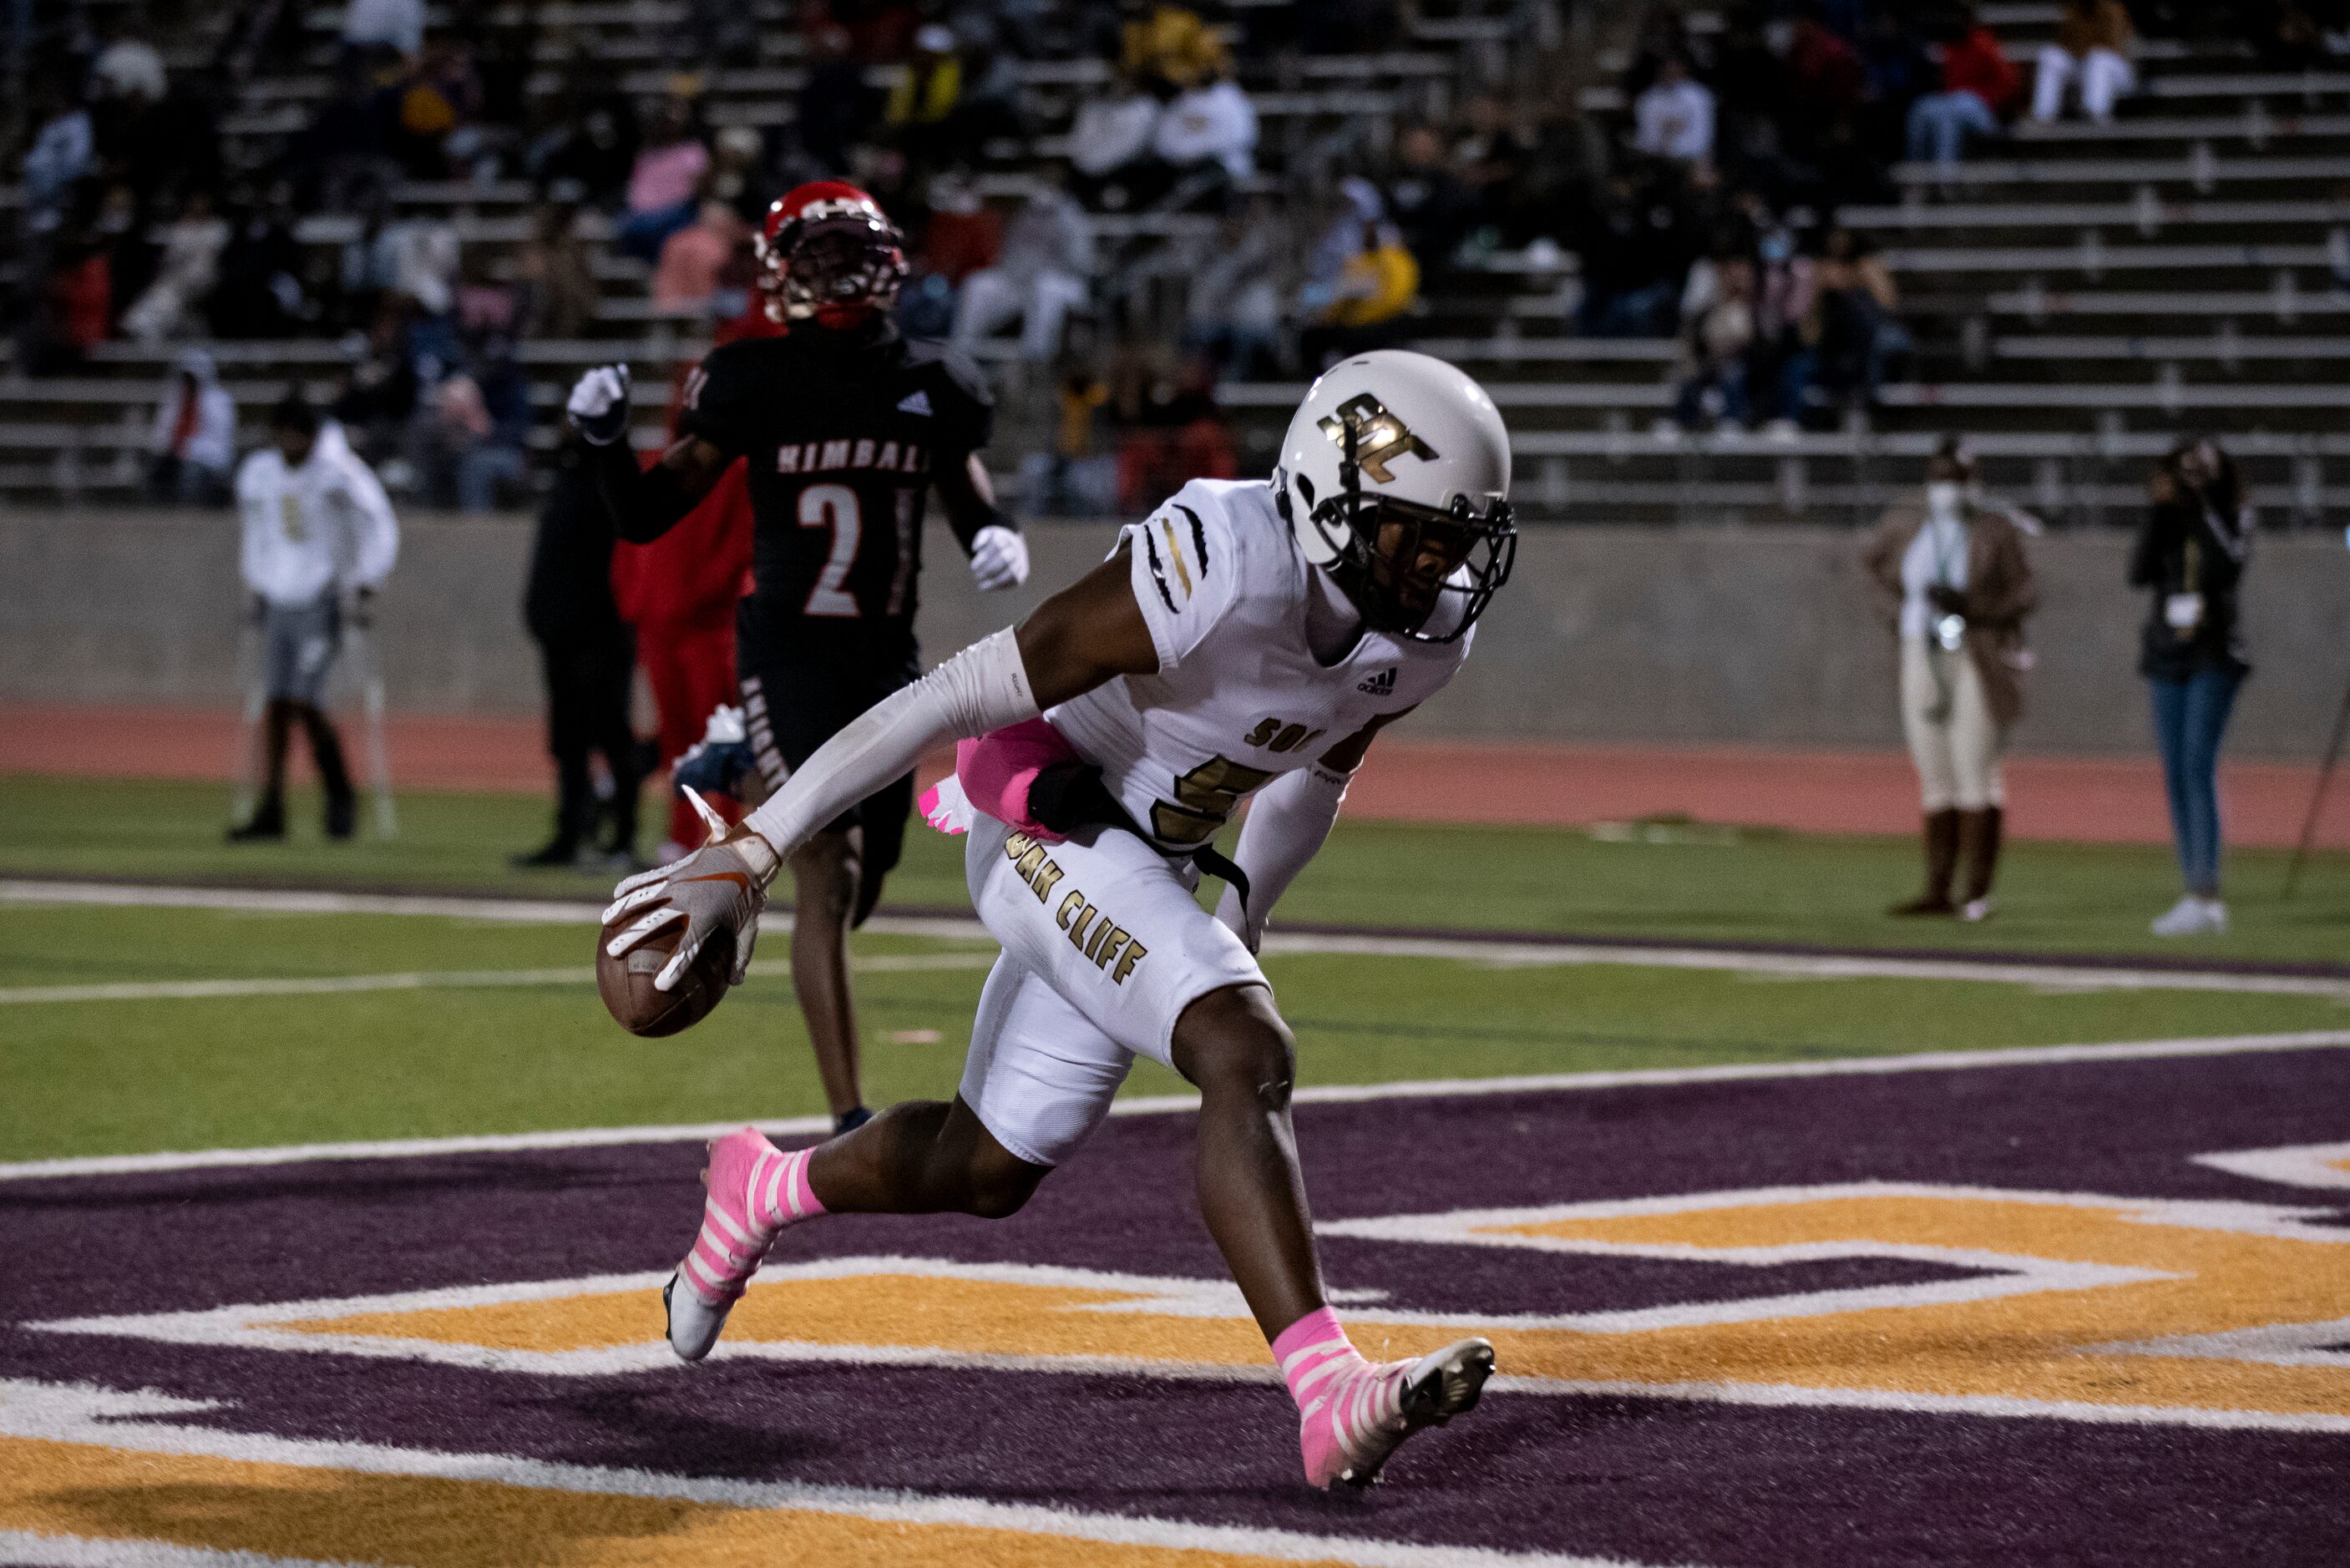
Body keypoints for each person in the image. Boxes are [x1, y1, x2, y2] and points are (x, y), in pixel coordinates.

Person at [595, 349, 1515, 1489]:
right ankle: (1325, 1388)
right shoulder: (1220, 562)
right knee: (1244, 1047)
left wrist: (1248, 909)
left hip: (1150, 860)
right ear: (1326, 495)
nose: (1437, 569)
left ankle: (762, 1188)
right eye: (1414, 532)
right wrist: (758, 841)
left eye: (1455, 540)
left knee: (987, 1165)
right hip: (1044, 816)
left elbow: (1314, 772)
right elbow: (959, 693)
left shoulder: (1420, 638)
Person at [565, 180, 1031, 1135]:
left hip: (886, 657)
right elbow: (648, 515)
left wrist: (994, 531)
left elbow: (966, 487)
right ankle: (849, 1111)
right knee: (827, 865)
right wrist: (608, 444)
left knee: (864, 879)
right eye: (815, 258)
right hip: (788, 652)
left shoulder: (934, 381)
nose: (834, 276)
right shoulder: (754, 377)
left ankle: (739, 765)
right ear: (783, 273)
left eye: (843, 255)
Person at [1861, 437, 2038, 920]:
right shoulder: (1907, 525)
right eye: (1941, 478)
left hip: (1975, 649)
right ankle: (1938, 888)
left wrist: (1975, 607)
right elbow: (1874, 572)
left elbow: (2025, 594)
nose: (1948, 489)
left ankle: (1976, 892)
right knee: (1933, 770)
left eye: (1957, 479)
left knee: (1975, 765)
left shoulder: (1994, 531)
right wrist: (1898, 614)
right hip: (1921, 648)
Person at [230, 396, 401, 842]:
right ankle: (272, 808)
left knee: (308, 699)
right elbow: (257, 532)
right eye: (282, 433)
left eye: (297, 434)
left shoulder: (336, 472)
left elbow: (377, 520)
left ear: (310, 436)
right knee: (276, 703)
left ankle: (339, 796)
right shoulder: (261, 474)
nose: (289, 443)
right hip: (278, 599)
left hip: (320, 599)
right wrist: (255, 582)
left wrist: (368, 577)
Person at [2133, 438, 2252, 936]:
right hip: (2168, 653)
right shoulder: (2170, 516)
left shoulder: (2231, 514)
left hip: (2213, 652)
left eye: (2201, 469)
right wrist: (2164, 509)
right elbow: (2138, 571)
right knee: (2176, 772)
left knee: (2197, 763)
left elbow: (2229, 567)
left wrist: (2202, 502)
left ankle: (2206, 891)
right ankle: (2194, 888)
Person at [518, 438, 645, 869]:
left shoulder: (613, 478)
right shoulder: (568, 477)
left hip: (602, 634)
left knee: (612, 737)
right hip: (562, 635)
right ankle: (570, 834)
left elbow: (623, 558)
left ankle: (624, 838)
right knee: (569, 742)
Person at [949, 183, 1093, 362]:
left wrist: (1044, 270)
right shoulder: (1023, 213)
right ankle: (962, 351)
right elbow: (1007, 255)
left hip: (1063, 283)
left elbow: (1081, 263)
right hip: (1019, 282)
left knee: (1045, 287)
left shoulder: (1072, 217)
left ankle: (1036, 359)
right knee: (978, 283)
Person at [1906, 9, 2019, 169]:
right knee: (1921, 107)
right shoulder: (1948, 48)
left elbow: (2009, 83)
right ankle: (1916, 171)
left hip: (1983, 111)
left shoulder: (1983, 44)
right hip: (1954, 105)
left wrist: (1993, 104)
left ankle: (1946, 176)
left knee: (1958, 105)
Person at [147, 350, 238, 505]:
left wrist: (190, 449)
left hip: (209, 461)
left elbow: (222, 447)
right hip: (176, 456)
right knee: (156, 467)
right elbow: (162, 433)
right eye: (186, 377)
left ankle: (189, 513)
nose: (189, 381)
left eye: (193, 377)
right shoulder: (175, 400)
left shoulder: (220, 402)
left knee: (190, 471)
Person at [2033, 0, 2135, 124]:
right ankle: (2043, 116)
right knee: (2050, 55)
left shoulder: (2113, 9)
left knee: (2098, 58)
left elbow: (2114, 48)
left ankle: (2096, 114)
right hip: (2085, 67)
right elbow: (2066, 46)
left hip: (2117, 71)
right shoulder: (2074, 10)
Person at [1633, 54, 1715, 164]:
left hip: (1691, 160)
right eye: (1668, 71)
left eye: (1675, 70)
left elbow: (1703, 139)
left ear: (1683, 70)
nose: (1671, 74)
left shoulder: (1699, 97)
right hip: (1656, 159)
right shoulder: (1648, 100)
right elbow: (1646, 138)